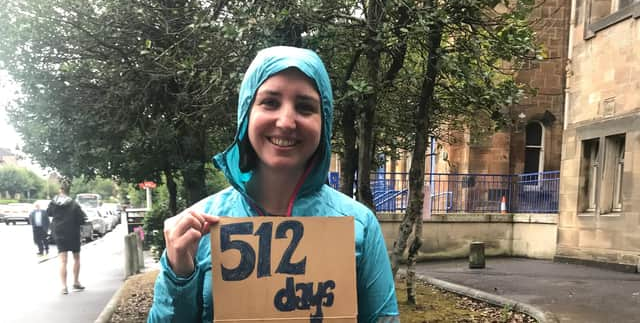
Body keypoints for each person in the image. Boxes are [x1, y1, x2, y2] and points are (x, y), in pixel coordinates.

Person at [148, 46, 399, 322]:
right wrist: (179, 275)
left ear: (324, 121)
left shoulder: (358, 224)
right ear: (247, 112)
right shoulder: (199, 229)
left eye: (305, 107)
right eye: (270, 102)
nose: (286, 121)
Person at [47, 183, 87, 295]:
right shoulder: (74, 204)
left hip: (59, 233)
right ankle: (76, 282)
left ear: (60, 190)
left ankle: (64, 287)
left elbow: (48, 213)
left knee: (63, 260)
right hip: (73, 233)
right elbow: (82, 219)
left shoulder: (53, 203)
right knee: (76, 258)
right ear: (69, 191)